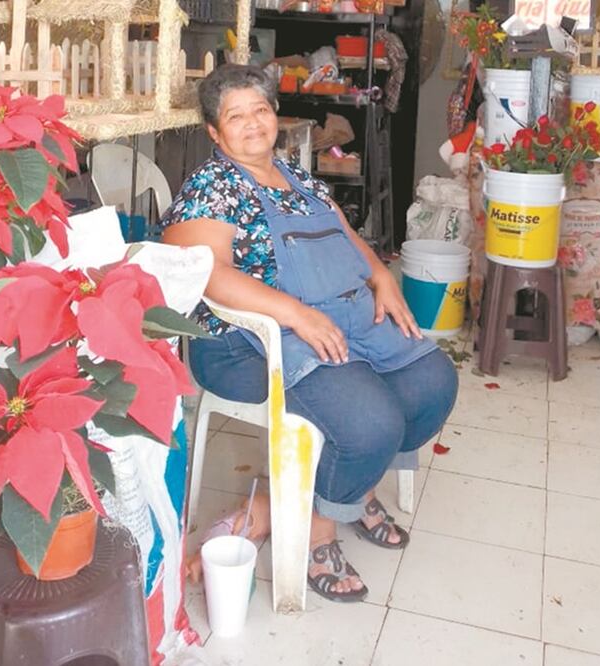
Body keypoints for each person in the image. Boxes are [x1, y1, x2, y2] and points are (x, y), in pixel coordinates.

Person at [161, 64, 458, 603]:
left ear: (275, 114)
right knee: (369, 422)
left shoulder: (298, 177)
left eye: (260, 109)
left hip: (333, 317)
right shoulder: (212, 186)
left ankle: (348, 491)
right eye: (235, 116)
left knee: (431, 382)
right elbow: (201, 271)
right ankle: (318, 534)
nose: (253, 123)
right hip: (244, 342)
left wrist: (380, 277)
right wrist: (294, 313)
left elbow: (344, 235)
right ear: (214, 132)